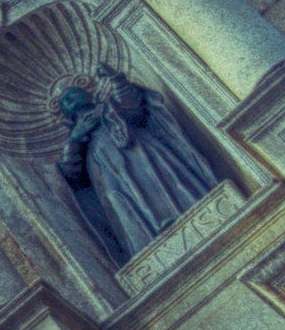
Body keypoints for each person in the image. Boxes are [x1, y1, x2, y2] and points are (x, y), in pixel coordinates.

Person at [58, 66, 218, 262]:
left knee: (158, 178)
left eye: (72, 94)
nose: (69, 100)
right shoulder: (75, 135)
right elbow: (71, 172)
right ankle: (153, 236)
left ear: (87, 94)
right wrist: (75, 139)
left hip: (140, 151)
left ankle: (187, 211)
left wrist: (116, 80)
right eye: (64, 101)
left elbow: (132, 107)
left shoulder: (109, 107)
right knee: (126, 199)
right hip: (106, 171)